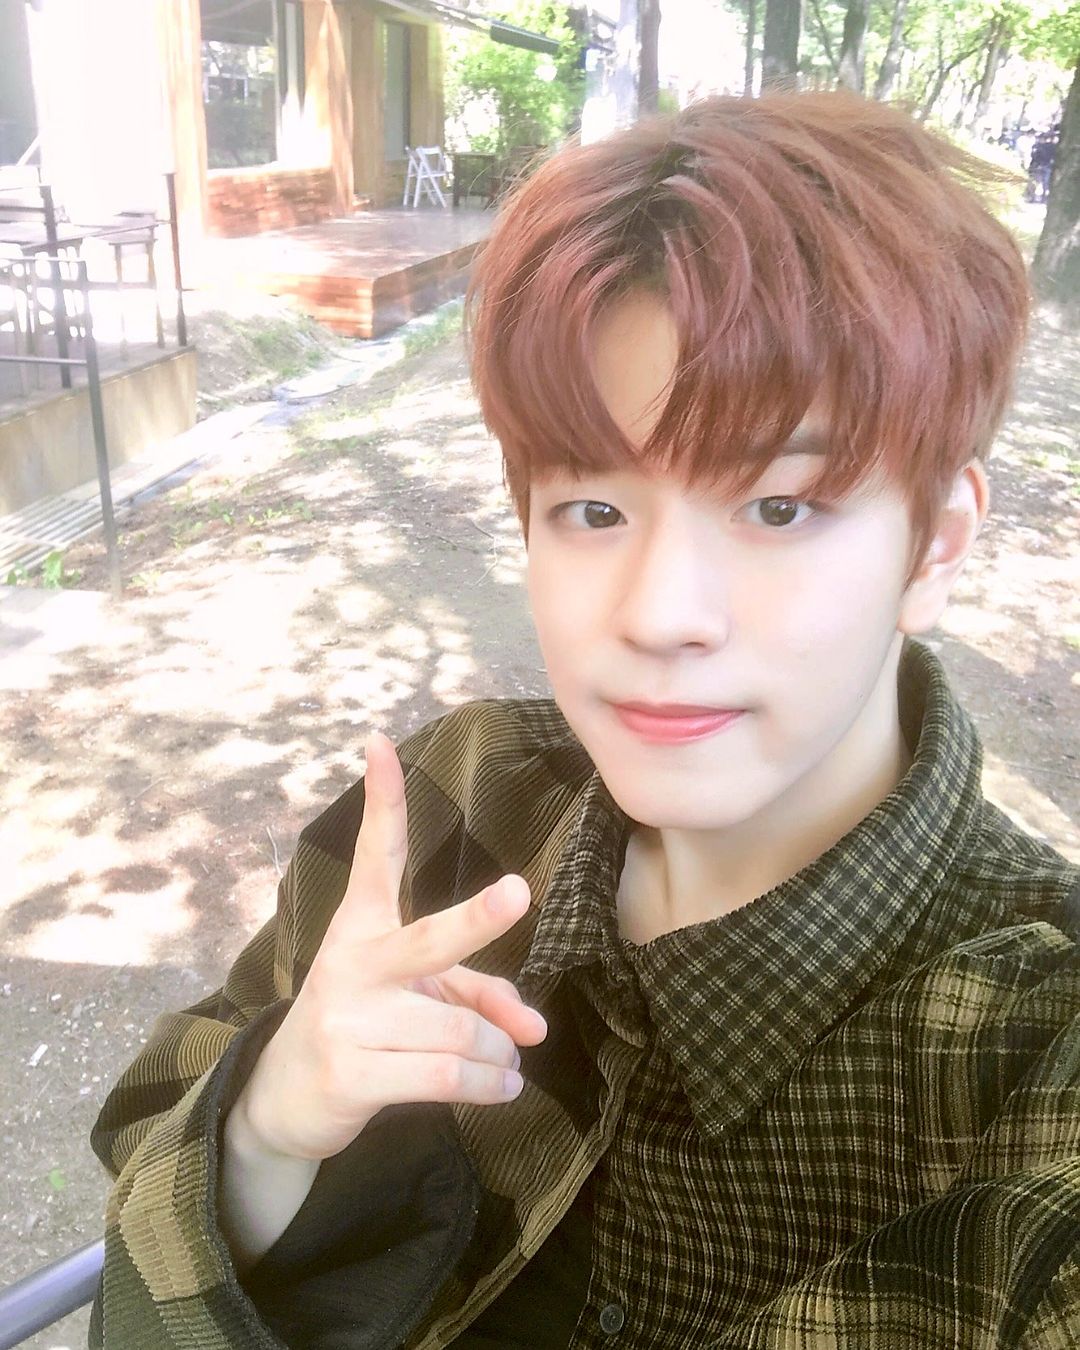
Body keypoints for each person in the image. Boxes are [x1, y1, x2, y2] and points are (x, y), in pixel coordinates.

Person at [88, 92, 1079, 1349]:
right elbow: (159, 1131)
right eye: (594, 511)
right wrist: (268, 1127)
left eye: (779, 507)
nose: (660, 615)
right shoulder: (455, 806)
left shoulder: (1033, 1052)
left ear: (935, 544)